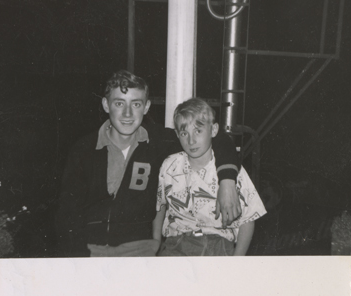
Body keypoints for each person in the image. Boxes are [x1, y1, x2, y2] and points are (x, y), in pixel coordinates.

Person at [55, 70, 241, 257]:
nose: (127, 113)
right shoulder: (84, 149)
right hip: (90, 250)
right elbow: (68, 215)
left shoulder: (159, 142)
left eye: (136, 104)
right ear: (105, 105)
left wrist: (227, 182)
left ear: (146, 107)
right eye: (119, 103)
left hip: (140, 251)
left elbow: (218, 139)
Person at [153, 98, 266, 256]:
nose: (191, 140)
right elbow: (160, 206)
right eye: (184, 133)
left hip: (217, 245)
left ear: (213, 130)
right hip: (176, 245)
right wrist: (155, 246)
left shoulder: (231, 170)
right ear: (177, 135)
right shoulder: (170, 165)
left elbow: (248, 219)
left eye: (198, 131)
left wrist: (237, 261)